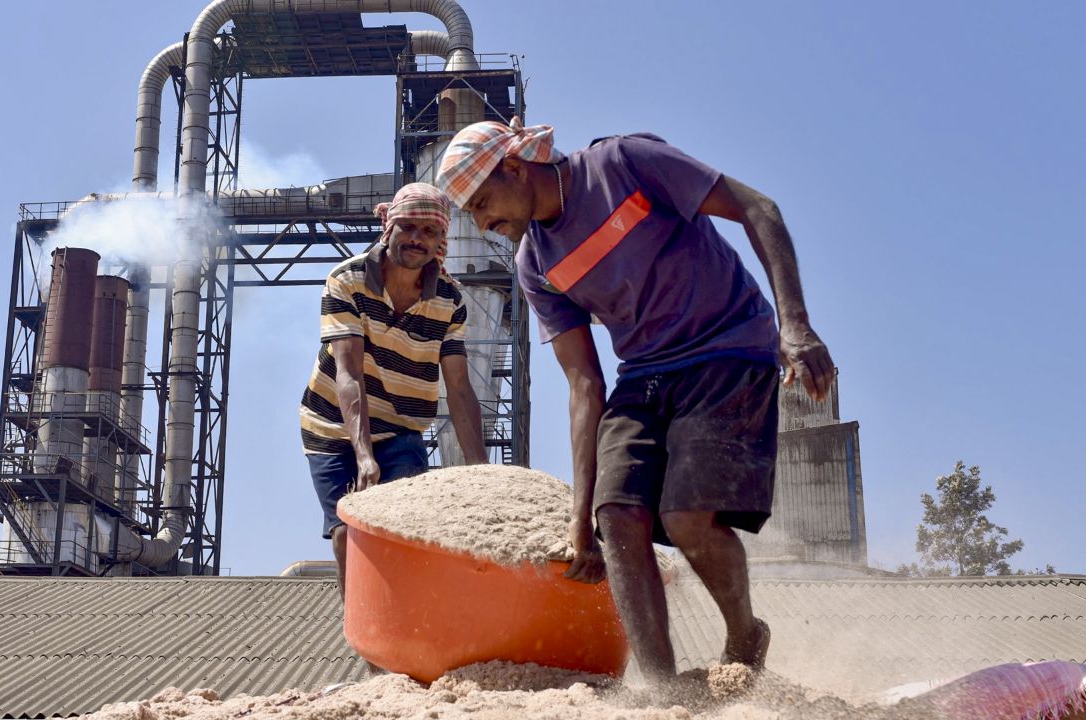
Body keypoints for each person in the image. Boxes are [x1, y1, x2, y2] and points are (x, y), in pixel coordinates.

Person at [436, 119, 834, 683]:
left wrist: (794, 326)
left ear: (517, 168)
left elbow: (759, 209)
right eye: (471, 213)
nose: (482, 222)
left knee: (686, 517)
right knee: (616, 515)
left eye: (482, 202)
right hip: (645, 373)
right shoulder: (536, 264)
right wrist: (580, 520)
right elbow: (584, 384)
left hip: (727, 347)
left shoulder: (624, 164)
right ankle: (661, 690)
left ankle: (745, 631)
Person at [300, 181, 488, 599]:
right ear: (390, 228)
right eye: (408, 227)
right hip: (331, 426)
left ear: (442, 240)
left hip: (402, 427)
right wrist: (364, 456)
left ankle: (404, 614)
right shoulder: (346, 282)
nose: (416, 239)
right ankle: (361, 627)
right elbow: (348, 373)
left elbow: (459, 388)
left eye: (429, 232)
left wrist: (481, 470)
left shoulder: (450, 300)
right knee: (349, 531)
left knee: (404, 526)